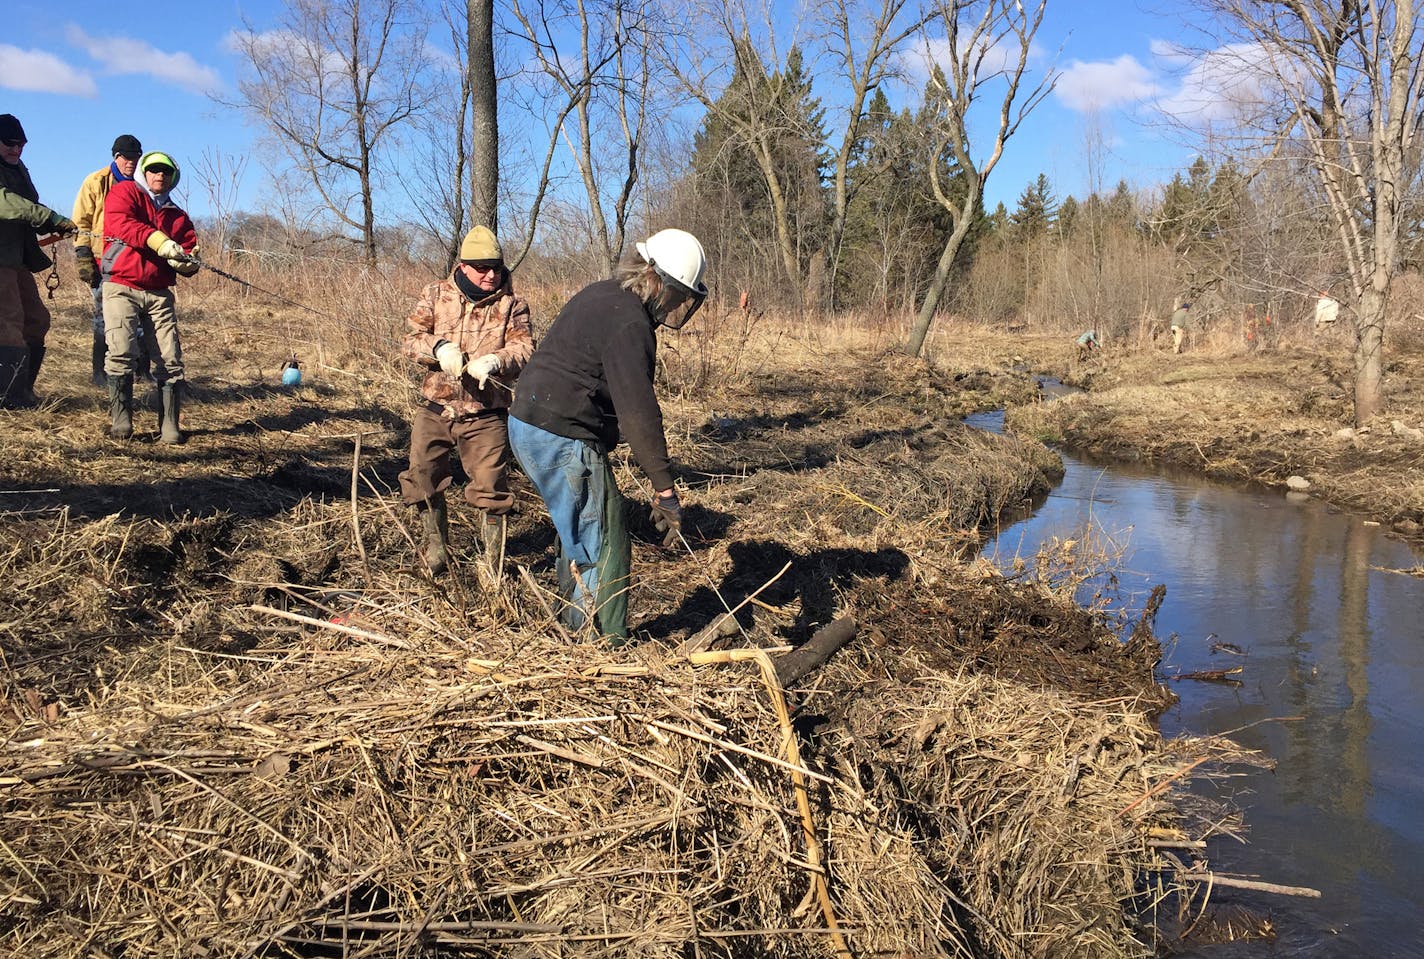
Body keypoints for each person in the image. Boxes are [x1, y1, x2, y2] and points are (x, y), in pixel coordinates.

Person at [508, 228, 708, 644]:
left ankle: (573, 624)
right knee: (607, 538)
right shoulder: (630, 322)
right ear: (656, 280)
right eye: (676, 296)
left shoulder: (601, 294)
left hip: (526, 424)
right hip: (560, 435)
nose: (675, 307)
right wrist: (665, 489)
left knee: (578, 527)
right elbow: (638, 412)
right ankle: (603, 642)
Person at [398, 226, 533, 576]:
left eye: (497, 268)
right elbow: (411, 339)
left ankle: (492, 565)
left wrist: (496, 361)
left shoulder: (512, 305)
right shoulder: (435, 294)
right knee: (421, 477)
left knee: (491, 488)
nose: (491, 275)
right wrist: (438, 349)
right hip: (436, 406)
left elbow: (524, 348)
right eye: (482, 267)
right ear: (463, 265)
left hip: (486, 414)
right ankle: (437, 550)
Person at [100, 150, 199, 442]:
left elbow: (188, 247)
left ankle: (169, 427)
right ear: (145, 172)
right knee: (120, 352)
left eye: (165, 172)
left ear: (172, 179)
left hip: (159, 292)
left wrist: (188, 262)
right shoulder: (125, 192)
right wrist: (159, 241)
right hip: (121, 284)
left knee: (170, 360)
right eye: (154, 170)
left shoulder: (178, 216)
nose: (159, 175)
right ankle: (122, 423)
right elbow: (121, 225)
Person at [0, 113, 76, 409]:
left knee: (37, 321)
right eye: (9, 143)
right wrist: (48, 217)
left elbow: (30, 205)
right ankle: (9, 400)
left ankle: (23, 390)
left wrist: (55, 224)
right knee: (8, 324)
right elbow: (6, 203)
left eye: (21, 145)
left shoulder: (19, 169)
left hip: (17, 259)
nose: (16, 149)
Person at [73, 134, 151, 386]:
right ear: (115, 157)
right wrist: (83, 255)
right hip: (102, 259)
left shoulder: (143, 185)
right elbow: (81, 222)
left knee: (140, 318)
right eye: (126, 158)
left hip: (136, 260)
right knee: (104, 318)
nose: (131, 162)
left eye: (136, 158)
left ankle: (141, 372)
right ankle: (100, 374)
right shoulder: (95, 181)